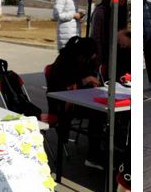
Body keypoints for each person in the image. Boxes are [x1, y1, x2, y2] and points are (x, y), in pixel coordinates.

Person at [46, 36, 107, 169]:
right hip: (62, 104)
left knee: (103, 110)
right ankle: (93, 155)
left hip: (78, 99)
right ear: (82, 55)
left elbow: (84, 78)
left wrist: (91, 83)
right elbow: (64, 88)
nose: (90, 60)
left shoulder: (81, 61)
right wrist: (85, 81)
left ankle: (101, 150)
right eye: (89, 58)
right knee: (98, 114)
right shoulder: (64, 62)